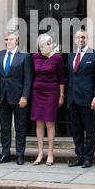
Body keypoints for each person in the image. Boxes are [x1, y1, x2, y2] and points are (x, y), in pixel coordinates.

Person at [0, 30, 33, 165]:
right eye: (6, 40)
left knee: (20, 128)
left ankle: (20, 154)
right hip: (2, 97)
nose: (7, 42)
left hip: (18, 98)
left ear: (16, 41)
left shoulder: (25, 56)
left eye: (10, 39)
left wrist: (25, 96)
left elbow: (28, 78)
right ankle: (5, 154)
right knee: (4, 128)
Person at [67, 29, 95, 168]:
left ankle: (88, 158)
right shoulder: (71, 56)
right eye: (78, 37)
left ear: (87, 39)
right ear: (75, 40)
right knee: (76, 131)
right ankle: (79, 157)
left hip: (88, 100)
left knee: (89, 131)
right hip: (73, 99)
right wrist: (68, 98)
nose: (81, 40)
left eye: (83, 37)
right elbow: (71, 78)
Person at [31, 34, 65, 166]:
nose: (50, 45)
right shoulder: (35, 57)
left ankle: (50, 153)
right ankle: (40, 153)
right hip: (38, 91)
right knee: (39, 123)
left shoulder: (57, 58)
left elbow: (61, 78)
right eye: (48, 43)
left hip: (52, 91)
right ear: (41, 46)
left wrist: (61, 95)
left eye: (51, 43)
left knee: (50, 122)